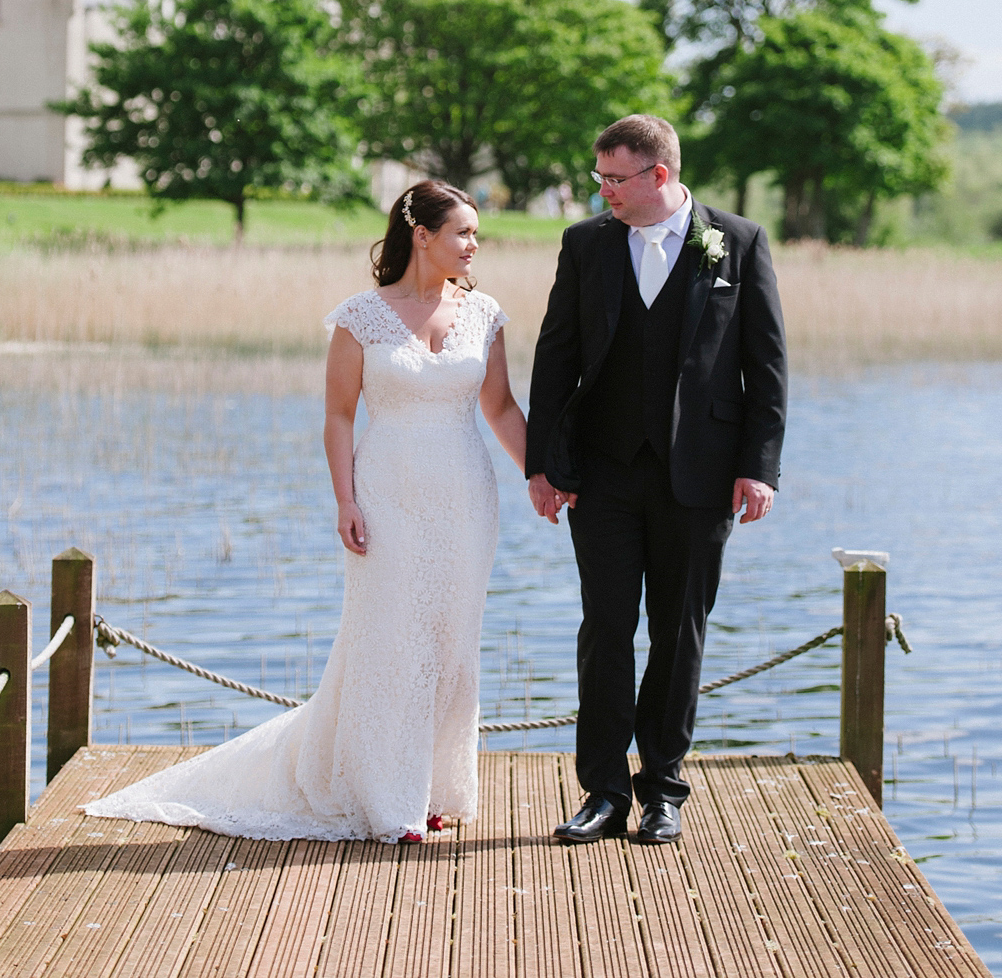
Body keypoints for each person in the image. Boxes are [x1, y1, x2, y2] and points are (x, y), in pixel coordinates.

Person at [83, 179, 526, 843]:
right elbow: (338, 417)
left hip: (467, 499)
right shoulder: (361, 316)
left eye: (477, 235)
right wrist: (345, 499)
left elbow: (501, 408)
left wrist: (544, 477)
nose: (474, 245)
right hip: (387, 498)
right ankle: (388, 800)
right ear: (423, 235)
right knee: (390, 639)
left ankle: (433, 786)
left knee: (450, 640)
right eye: (463, 232)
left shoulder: (484, 312)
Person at [526, 115, 787, 847]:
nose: (602, 191)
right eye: (600, 178)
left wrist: (757, 466)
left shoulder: (737, 242)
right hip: (602, 475)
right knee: (605, 627)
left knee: (680, 632)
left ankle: (663, 789)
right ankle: (603, 791)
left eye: (614, 179)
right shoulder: (586, 244)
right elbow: (556, 354)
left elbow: (765, 366)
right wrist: (543, 464)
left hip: (700, 475)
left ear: (659, 176)